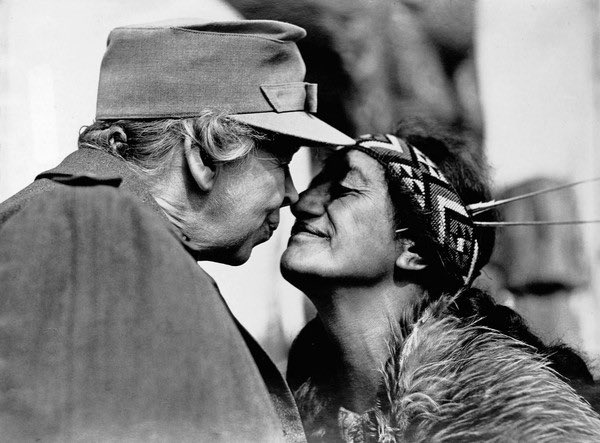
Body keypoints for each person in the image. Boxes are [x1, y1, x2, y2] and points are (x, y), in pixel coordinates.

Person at [0, 19, 355, 441]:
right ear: (203, 156)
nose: (292, 194)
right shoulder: (90, 232)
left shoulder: (93, 228)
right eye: (281, 159)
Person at [281, 119, 600, 442]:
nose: (303, 204)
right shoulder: (284, 408)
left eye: (344, 190)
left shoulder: (516, 427)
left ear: (415, 249)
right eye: (316, 184)